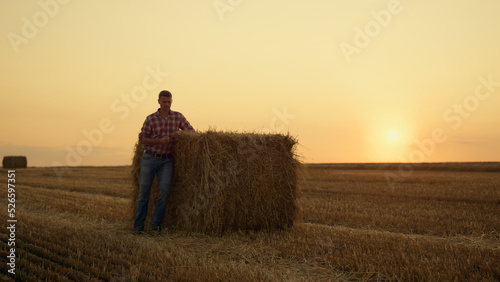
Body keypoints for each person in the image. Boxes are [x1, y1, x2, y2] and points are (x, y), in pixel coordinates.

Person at [134, 90, 194, 234]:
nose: (167, 104)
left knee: (164, 193)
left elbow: (192, 131)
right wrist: (159, 141)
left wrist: (180, 132)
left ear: (171, 101)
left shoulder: (178, 116)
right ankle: (138, 227)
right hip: (149, 158)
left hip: (167, 160)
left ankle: (155, 226)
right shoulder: (151, 119)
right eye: (164, 102)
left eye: (169, 102)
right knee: (144, 194)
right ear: (159, 102)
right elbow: (142, 139)